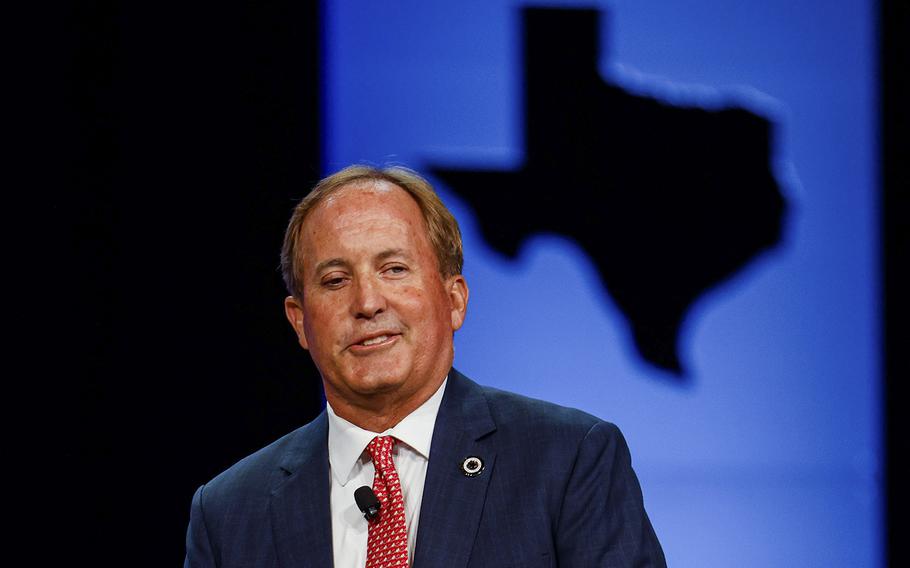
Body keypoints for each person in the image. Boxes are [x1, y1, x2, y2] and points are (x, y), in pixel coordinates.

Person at [184, 165, 666, 567]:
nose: (368, 302)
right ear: (300, 322)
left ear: (454, 299)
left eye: (394, 269)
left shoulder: (568, 460)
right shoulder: (228, 513)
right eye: (335, 279)